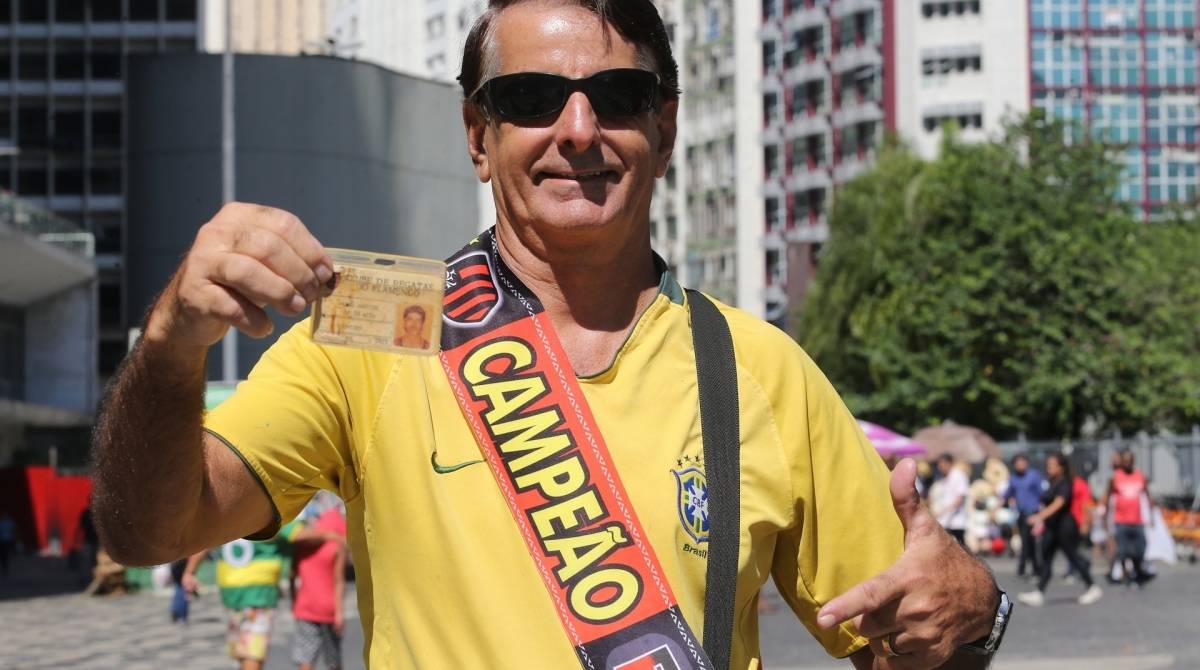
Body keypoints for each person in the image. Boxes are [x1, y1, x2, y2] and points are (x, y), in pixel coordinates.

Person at [90, 2, 1003, 668]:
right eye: (530, 96)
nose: (577, 128)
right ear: (478, 136)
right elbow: (146, 529)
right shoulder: (375, 326)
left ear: (666, 124)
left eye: (616, 93)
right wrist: (173, 344)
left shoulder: (758, 367)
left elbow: (907, 639)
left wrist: (977, 614)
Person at [183, 520, 340, 670]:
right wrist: (330, 534)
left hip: (245, 599)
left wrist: (189, 572)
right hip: (245, 600)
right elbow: (299, 533)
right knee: (246, 654)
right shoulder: (262, 517)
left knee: (246, 653)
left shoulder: (235, 518)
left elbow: (203, 545)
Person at [1017, 453, 1103, 607]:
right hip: (1053, 527)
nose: (1048, 467)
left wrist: (1039, 517)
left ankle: (1092, 586)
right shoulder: (1053, 481)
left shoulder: (1065, 483)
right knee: (1047, 558)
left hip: (1065, 527)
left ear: (1061, 467)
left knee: (1073, 557)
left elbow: (1059, 503)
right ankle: (1039, 592)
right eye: (1048, 464)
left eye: (1052, 464)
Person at [291, 507, 348, 670]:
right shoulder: (337, 546)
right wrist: (339, 613)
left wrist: (294, 600)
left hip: (305, 607)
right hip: (329, 609)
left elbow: (292, 576)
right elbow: (339, 581)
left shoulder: (303, 546)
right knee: (333, 660)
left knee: (306, 659)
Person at [1107, 450, 1152, 586]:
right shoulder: (1116, 477)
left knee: (1140, 549)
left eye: (1129, 461)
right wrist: (1105, 516)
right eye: (1125, 461)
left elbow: (1147, 494)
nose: (1127, 463)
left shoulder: (1140, 476)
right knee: (1123, 551)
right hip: (1121, 520)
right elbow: (1108, 496)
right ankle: (1126, 574)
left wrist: (1152, 513)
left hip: (1137, 520)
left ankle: (1137, 571)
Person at [1003, 454, 1045, 579]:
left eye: (1022, 462)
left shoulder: (1034, 476)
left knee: (1030, 542)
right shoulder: (1013, 478)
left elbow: (1042, 493)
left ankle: (1027, 568)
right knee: (1026, 542)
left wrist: (1041, 512)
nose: (1019, 465)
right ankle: (1031, 568)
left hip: (1033, 513)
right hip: (1021, 513)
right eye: (1017, 463)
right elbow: (1007, 494)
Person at [929, 455, 970, 545]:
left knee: (960, 547)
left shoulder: (958, 476)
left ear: (949, 463)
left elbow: (960, 498)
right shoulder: (942, 478)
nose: (940, 467)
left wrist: (943, 511)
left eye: (942, 464)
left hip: (956, 520)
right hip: (945, 520)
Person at [0, 511, 16, 577]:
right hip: (3, 540)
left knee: (5, 554)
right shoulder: (3, 522)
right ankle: (5, 567)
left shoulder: (8, 522)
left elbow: (13, 530)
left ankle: (5, 567)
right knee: (4, 554)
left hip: (7, 540)